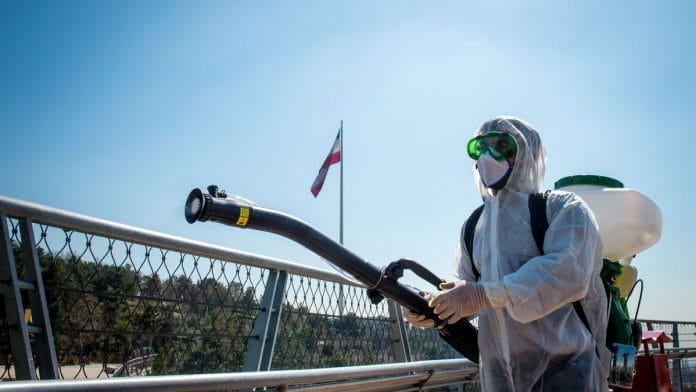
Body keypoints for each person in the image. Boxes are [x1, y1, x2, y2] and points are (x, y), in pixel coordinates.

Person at [405, 116, 610, 391]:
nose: (488, 157)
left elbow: (568, 273)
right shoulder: (474, 227)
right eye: (482, 149)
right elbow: (469, 297)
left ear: (528, 154)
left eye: (502, 146)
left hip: (567, 373)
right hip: (500, 377)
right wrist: (435, 308)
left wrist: (483, 294)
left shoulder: (562, 210)